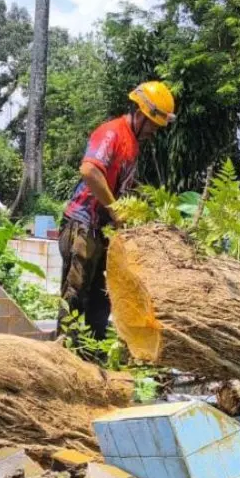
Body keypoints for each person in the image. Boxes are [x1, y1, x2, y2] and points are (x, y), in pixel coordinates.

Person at [57, 81, 175, 345]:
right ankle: (63, 357)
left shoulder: (133, 143)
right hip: (83, 225)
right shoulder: (112, 133)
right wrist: (115, 209)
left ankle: (94, 356)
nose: (154, 132)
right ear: (142, 114)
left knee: (101, 298)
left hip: (102, 231)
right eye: (154, 125)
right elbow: (89, 171)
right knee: (74, 297)